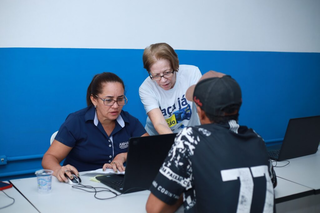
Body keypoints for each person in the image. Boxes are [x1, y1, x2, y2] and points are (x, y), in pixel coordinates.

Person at [146, 71, 277, 213]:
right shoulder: (256, 139)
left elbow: (154, 209)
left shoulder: (190, 139)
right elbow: (272, 182)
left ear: (200, 110)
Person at [42, 72, 148, 183]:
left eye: (120, 99)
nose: (116, 106)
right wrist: (58, 170)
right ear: (94, 99)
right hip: (80, 185)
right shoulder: (76, 121)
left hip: (116, 184)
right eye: (108, 100)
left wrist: (123, 156)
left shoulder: (130, 122)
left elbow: (150, 149)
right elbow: (49, 157)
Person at [139, 42, 202, 135]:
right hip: (160, 137)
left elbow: (203, 108)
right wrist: (177, 144)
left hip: (191, 134)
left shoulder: (192, 73)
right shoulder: (146, 88)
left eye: (167, 72)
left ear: (175, 65)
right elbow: (160, 123)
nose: (163, 80)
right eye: (156, 75)